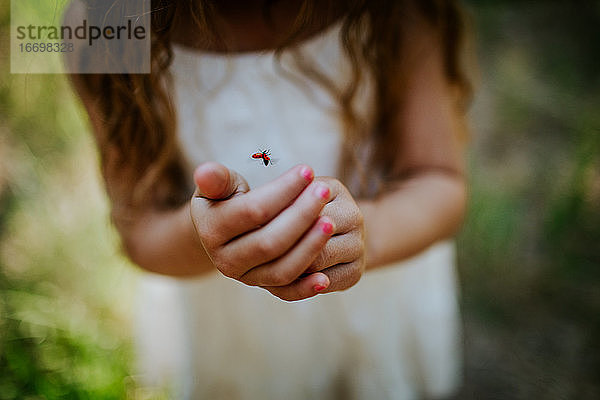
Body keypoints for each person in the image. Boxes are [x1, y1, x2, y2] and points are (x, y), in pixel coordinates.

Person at [69, 0, 472, 398]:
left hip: (376, 291)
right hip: (235, 323)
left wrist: (366, 236)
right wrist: (202, 237)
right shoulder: (105, 21)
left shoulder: (396, 11)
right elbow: (140, 229)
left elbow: (440, 181)